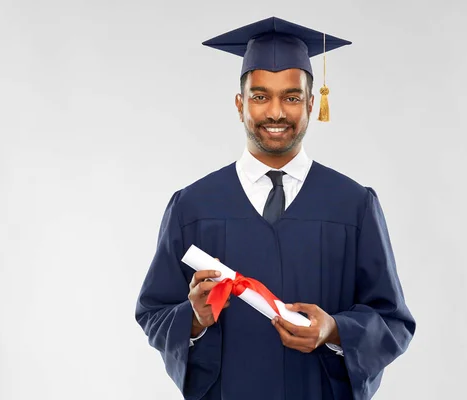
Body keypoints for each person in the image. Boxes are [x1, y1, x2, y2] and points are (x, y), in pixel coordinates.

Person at [135, 16, 415, 400]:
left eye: (292, 97)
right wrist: (195, 319)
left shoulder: (353, 205)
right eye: (260, 96)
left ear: (312, 103)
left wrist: (333, 329)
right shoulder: (193, 205)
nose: (276, 113)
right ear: (240, 103)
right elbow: (154, 312)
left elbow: (393, 322)